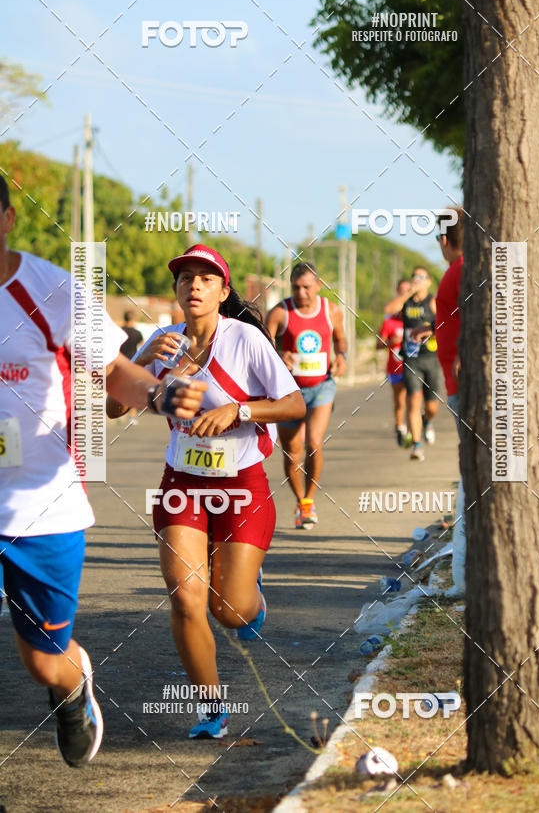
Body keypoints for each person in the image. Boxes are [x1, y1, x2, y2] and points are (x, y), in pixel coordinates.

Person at [0, 175, 204, 767]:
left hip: (41, 506)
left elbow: (114, 373)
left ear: (8, 219)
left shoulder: (51, 291)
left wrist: (161, 395)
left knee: (43, 657)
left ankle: (71, 687)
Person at [107, 244, 305, 739]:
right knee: (185, 599)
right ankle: (211, 709)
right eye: (185, 278)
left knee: (229, 611)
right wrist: (137, 358)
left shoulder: (246, 340)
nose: (193, 286)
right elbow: (114, 411)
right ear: (176, 290)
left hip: (242, 485)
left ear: (222, 290)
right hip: (182, 487)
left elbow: (294, 405)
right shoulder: (163, 340)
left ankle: (248, 593)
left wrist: (238, 411)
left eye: (205, 278)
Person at [265, 262, 347, 530]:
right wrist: (279, 354)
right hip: (288, 391)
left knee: (314, 442)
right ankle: (300, 501)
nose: (301, 293)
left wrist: (342, 358)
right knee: (291, 452)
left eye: (307, 287)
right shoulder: (279, 312)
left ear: (318, 286)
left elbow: (340, 340)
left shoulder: (331, 311)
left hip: (322, 386)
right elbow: (263, 348)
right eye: (296, 287)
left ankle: (309, 502)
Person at [434, 210, 465, 594]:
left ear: (444, 240)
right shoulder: (462, 271)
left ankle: (463, 578)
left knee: (471, 476)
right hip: (460, 382)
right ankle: (463, 575)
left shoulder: (457, 271)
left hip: (461, 385)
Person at [384, 267, 441, 461]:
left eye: (421, 277)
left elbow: (445, 320)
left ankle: (427, 421)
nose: (416, 279)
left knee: (432, 406)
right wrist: (409, 292)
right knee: (413, 400)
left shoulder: (432, 301)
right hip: (411, 359)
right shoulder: (406, 302)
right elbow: (389, 309)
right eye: (414, 276)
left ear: (428, 282)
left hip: (432, 358)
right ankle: (416, 445)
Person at [377, 279, 411, 446]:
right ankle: (400, 427)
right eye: (402, 290)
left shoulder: (417, 318)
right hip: (395, 367)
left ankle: (417, 428)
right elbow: (378, 344)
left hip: (414, 366)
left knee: (414, 399)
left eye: (408, 290)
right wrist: (391, 342)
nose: (405, 294)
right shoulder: (389, 320)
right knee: (400, 400)